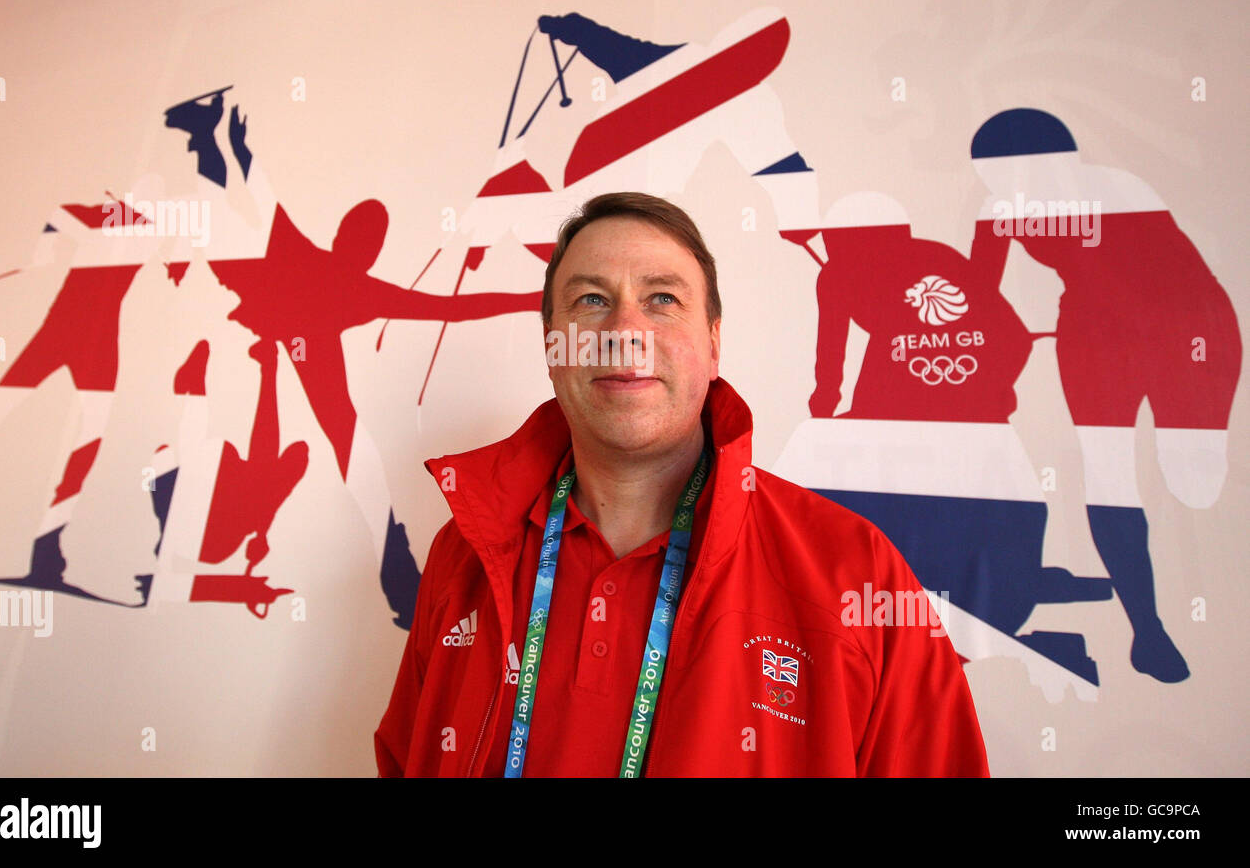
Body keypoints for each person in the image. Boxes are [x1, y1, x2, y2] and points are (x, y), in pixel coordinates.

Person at [373, 192, 989, 776]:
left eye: (662, 299)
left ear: (714, 344)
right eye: (590, 300)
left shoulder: (855, 572)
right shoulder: (465, 557)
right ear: (552, 346)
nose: (625, 330)